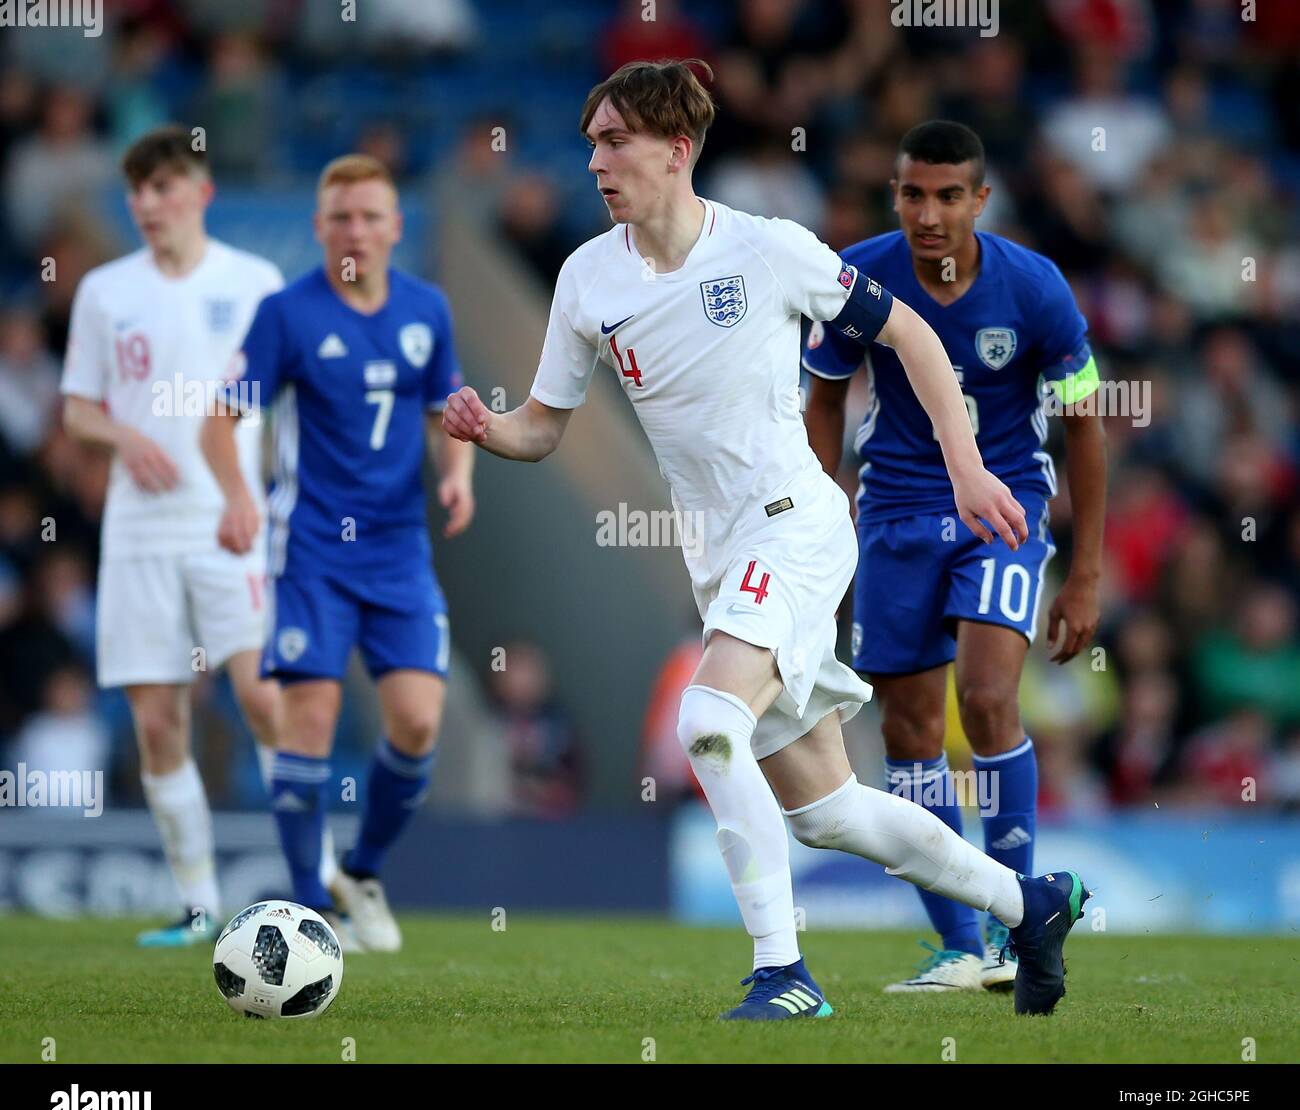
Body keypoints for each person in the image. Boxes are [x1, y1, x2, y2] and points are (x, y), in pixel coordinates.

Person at [444, 61, 1089, 1018]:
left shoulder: (768, 249)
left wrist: (964, 465)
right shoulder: (586, 277)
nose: (595, 163)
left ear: (677, 149)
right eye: (590, 144)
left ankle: (785, 977)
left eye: (614, 141)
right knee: (827, 813)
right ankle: (1028, 904)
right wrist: (487, 428)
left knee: (705, 723)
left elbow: (911, 334)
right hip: (723, 560)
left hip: (795, 525)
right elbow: (544, 425)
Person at [803, 121, 1107, 993]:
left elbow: (1085, 428)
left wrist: (1084, 572)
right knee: (906, 732)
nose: (927, 214)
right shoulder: (860, 277)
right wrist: (823, 527)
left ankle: (1022, 925)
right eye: (911, 194)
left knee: (983, 696)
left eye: (946, 196)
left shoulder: (1037, 289)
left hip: (1003, 507)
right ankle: (959, 946)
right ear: (894, 194)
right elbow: (824, 402)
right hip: (894, 513)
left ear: (981, 198)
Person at [202, 155, 474, 952]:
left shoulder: (428, 309)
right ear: (319, 227)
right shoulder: (286, 313)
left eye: (369, 216)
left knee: (419, 722)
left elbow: (443, 411)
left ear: (394, 227)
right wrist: (240, 496)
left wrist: (458, 474)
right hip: (313, 546)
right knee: (309, 716)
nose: (355, 229)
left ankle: (363, 869)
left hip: (398, 550)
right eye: (341, 217)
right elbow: (219, 420)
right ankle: (303, 912)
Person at [60, 126, 283, 946]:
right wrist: (125, 437)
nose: (147, 205)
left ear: (201, 193)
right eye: (137, 192)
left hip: (230, 523)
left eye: (163, 189)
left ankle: (316, 882)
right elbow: (78, 406)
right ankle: (197, 905)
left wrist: (257, 489)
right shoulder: (105, 292)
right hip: (139, 530)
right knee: (157, 719)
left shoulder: (255, 282)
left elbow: (279, 402)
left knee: (264, 696)